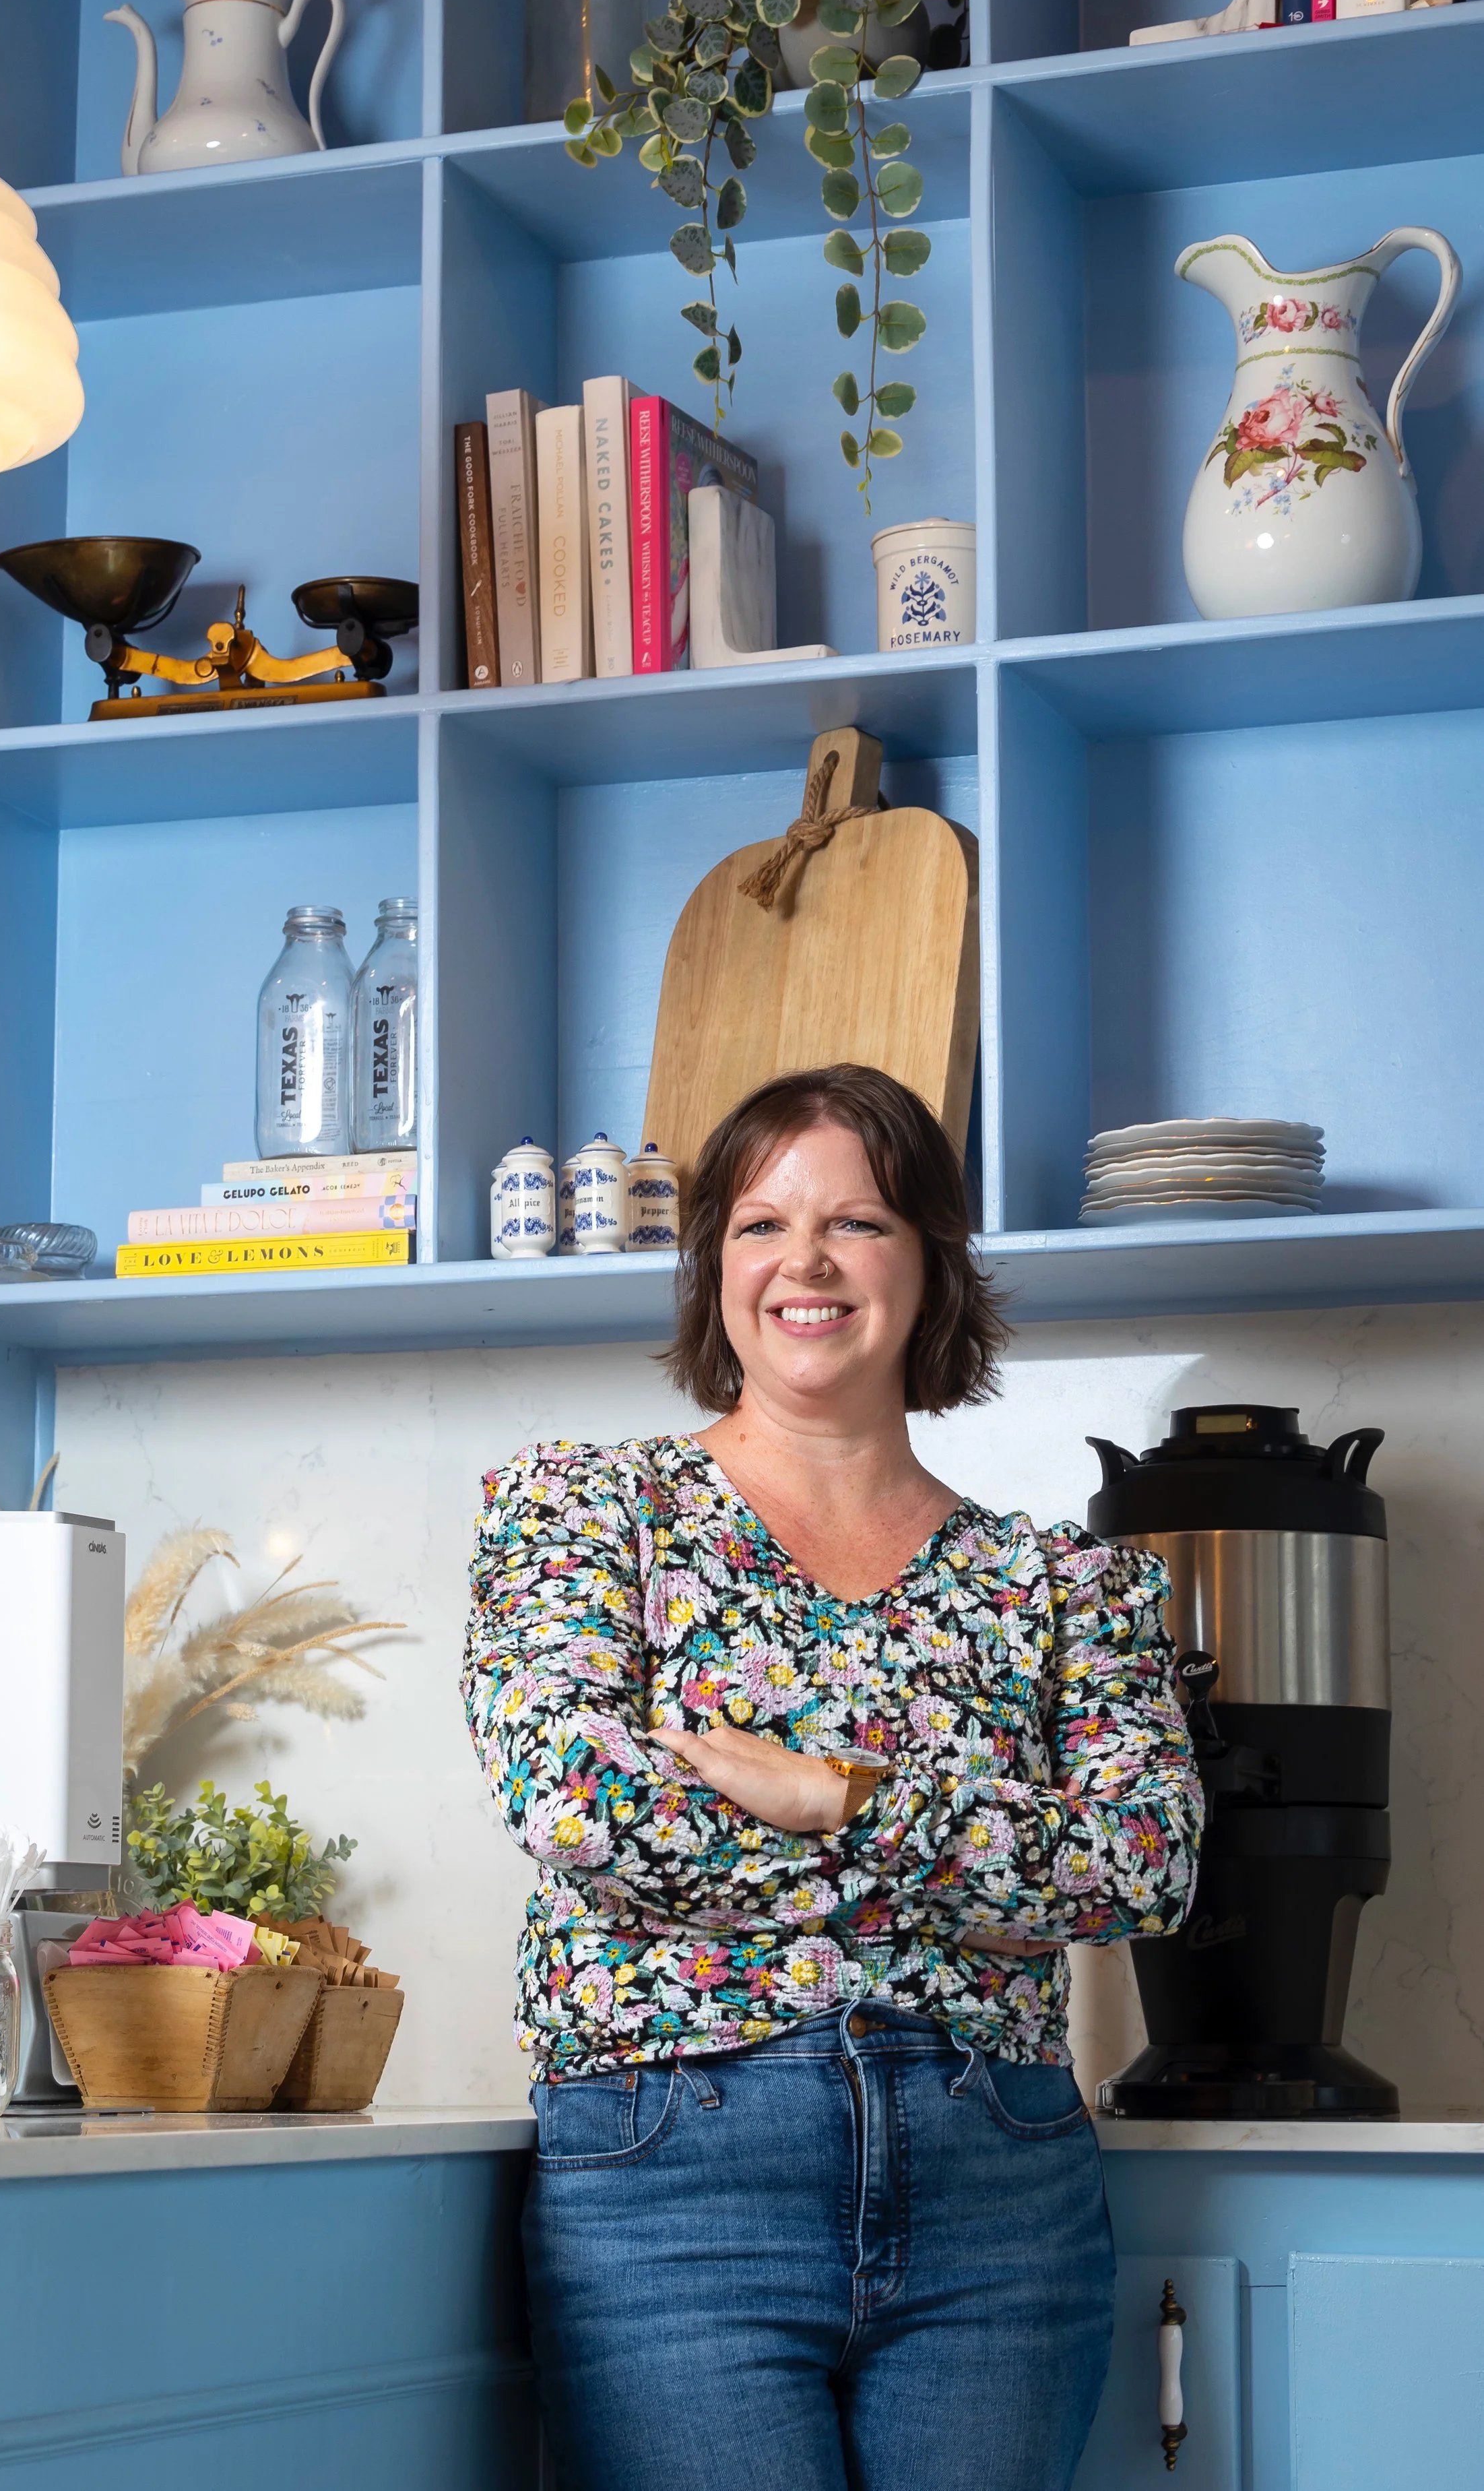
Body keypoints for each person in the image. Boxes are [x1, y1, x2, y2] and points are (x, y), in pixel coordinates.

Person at [463, 1065, 1202, 2491]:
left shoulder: (1061, 1582)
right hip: (675, 2164)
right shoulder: (581, 1510)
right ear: (711, 1270)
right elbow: (580, 1809)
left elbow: (1137, 1868)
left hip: (1001, 2173)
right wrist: (970, 1876)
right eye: (757, 1226)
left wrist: (832, 1796)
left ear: (930, 1265)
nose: (801, 1263)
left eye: (854, 1223)